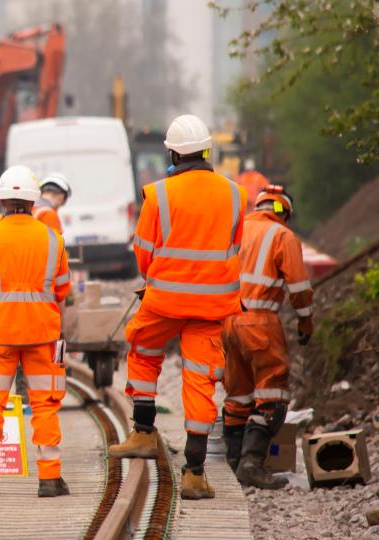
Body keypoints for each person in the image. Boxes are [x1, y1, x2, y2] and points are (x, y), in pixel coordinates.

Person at [108, 114, 247, 500]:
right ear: (207, 150)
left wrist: (158, 277)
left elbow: (143, 253)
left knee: (142, 346)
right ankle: (195, 472)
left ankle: (144, 432)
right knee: (201, 377)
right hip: (214, 304)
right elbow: (236, 248)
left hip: (166, 301)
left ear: (172, 153)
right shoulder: (235, 194)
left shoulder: (158, 194)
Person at [0, 165, 72, 498]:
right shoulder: (52, 238)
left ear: (1, 200)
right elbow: (62, 288)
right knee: (44, 405)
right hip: (43, 335)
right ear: (32, 200)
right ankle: (50, 480)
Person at [222, 185, 313, 489]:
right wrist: (306, 324)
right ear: (284, 211)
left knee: (238, 394)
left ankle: (234, 463)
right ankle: (250, 465)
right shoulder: (282, 236)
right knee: (272, 393)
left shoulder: (235, 230)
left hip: (226, 320)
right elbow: (299, 288)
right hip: (259, 321)